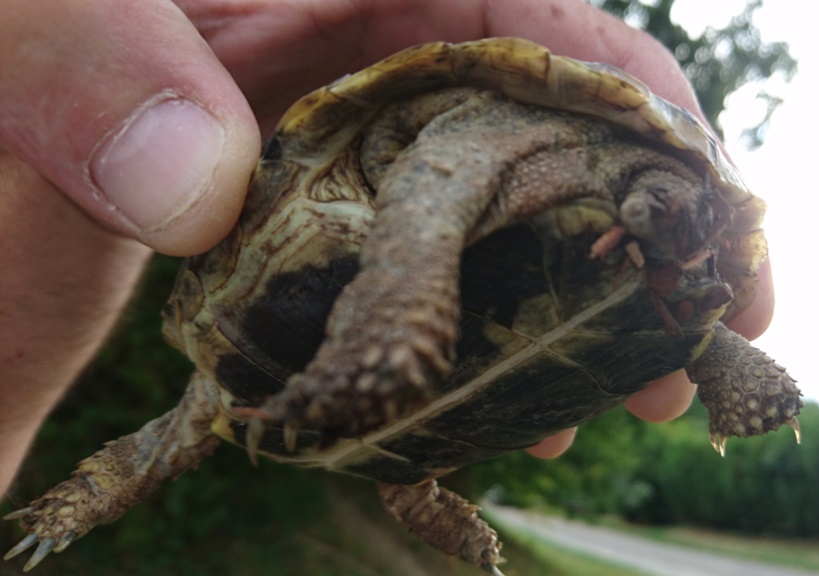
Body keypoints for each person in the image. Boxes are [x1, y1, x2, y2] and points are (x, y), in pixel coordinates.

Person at [0, 0, 774, 497]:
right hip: (405, 207)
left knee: (716, 344)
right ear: (637, 177)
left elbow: (699, 275)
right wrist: (405, 313)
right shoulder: (517, 134)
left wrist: (720, 346)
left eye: (692, 225)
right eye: (664, 206)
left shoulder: (688, 246)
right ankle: (100, 489)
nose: (674, 228)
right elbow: (437, 183)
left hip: (443, 425)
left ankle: (415, 493)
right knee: (208, 403)